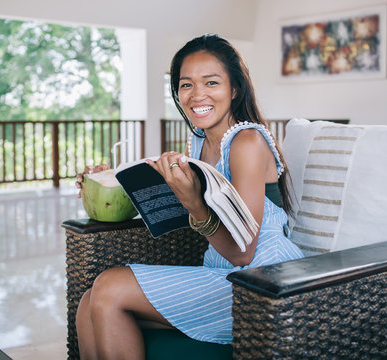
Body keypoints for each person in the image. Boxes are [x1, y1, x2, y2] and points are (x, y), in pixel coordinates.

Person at [75, 33, 304, 360]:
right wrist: (102, 186)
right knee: (88, 304)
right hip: (217, 272)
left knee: (109, 288)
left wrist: (194, 202)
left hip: (262, 284)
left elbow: (243, 252)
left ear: (234, 89)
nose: (197, 95)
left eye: (211, 83)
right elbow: (167, 206)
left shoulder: (247, 142)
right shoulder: (198, 143)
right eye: (186, 85)